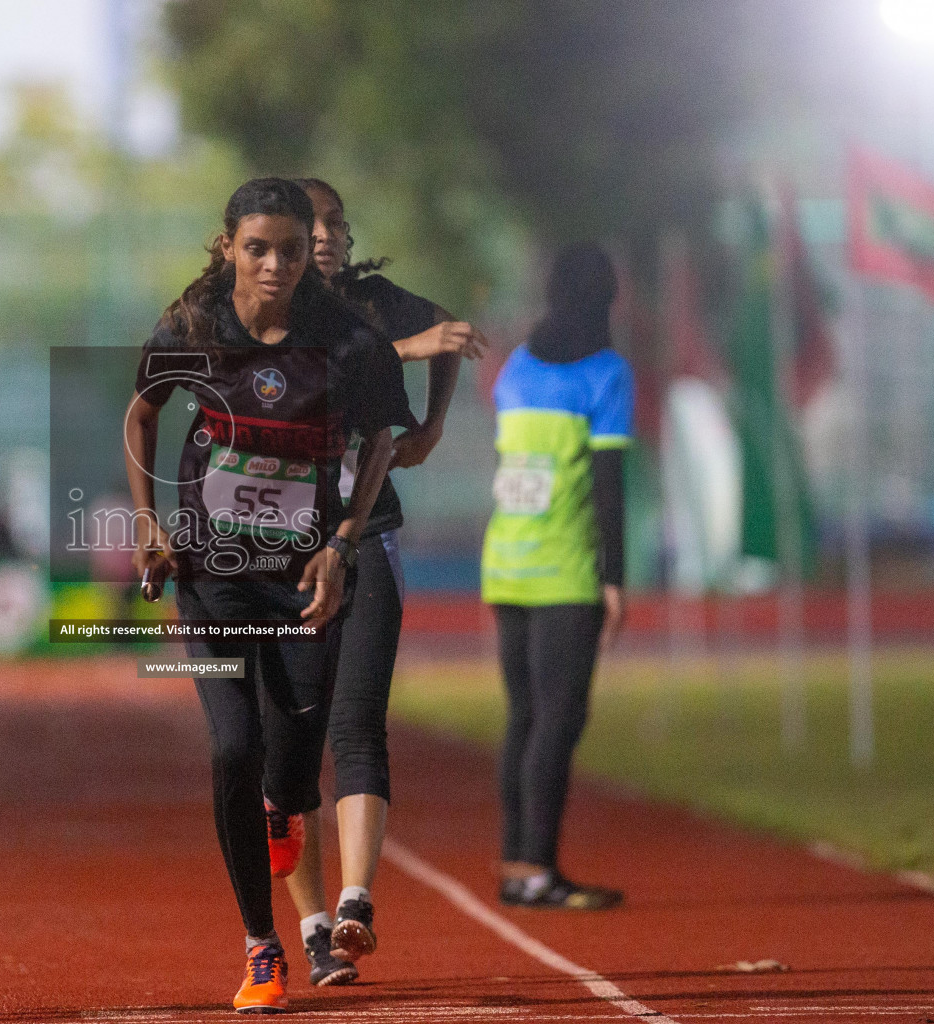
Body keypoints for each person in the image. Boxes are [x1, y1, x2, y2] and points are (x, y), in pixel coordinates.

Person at [124, 177, 412, 1014]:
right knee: (230, 749)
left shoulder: (348, 341)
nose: (277, 264)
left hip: (302, 587)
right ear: (229, 248)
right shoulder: (192, 327)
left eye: (291, 248)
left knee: (290, 774)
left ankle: (285, 809)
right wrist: (150, 523)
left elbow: (384, 441)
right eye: (258, 248)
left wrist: (343, 542)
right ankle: (262, 947)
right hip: (212, 575)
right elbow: (142, 413)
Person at [274, 178, 486, 986]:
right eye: (310, 225)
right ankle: (313, 925)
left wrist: (430, 425)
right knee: (288, 742)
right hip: (277, 547)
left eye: (337, 224)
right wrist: (402, 354)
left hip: (371, 534)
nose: (326, 237)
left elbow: (454, 332)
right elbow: (315, 374)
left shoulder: (374, 300)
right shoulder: (264, 315)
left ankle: (356, 904)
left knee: (358, 725)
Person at [482, 241, 632, 910]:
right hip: (566, 568)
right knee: (559, 722)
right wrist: (616, 579)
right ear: (605, 297)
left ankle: (520, 865)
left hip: (505, 563)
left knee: (524, 719)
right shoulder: (607, 374)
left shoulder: (515, 367)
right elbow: (608, 486)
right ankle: (539, 870)